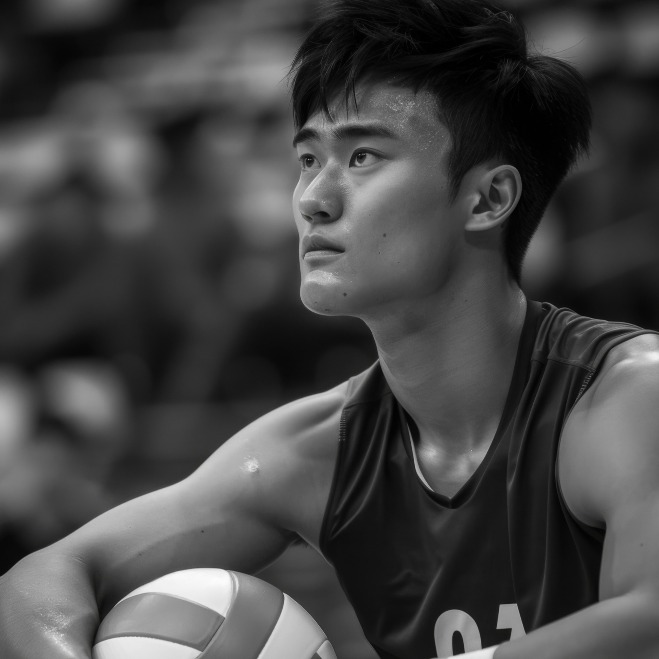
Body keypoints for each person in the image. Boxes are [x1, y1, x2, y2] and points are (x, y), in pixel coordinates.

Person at [2, 0, 659, 657]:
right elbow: (39, 581)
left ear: (489, 198)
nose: (313, 198)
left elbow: (650, 617)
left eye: (363, 156)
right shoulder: (314, 451)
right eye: (308, 159)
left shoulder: (630, 396)